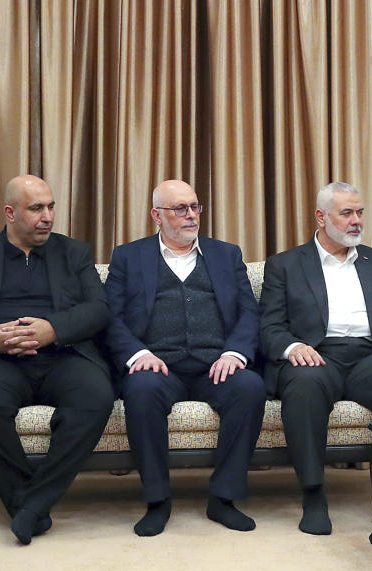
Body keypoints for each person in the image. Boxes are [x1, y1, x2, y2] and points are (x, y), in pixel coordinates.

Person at [0, 175, 114, 545]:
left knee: (96, 397)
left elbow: (99, 310)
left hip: (63, 355)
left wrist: (53, 329)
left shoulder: (74, 253)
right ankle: (28, 504)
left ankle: (30, 507)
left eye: (50, 207)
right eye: (36, 208)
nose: (47, 216)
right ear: (10, 213)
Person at [260, 182, 372, 536]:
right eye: (347, 213)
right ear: (321, 217)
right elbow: (269, 326)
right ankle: (313, 496)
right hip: (316, 356)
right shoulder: (285, 265)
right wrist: (293, 347)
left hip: (370, 356)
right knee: (304, 385)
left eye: (360, 212)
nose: (357, 221)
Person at [104, 179, 266, 537]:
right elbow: (109, 317)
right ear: (156, 216)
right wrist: (138, 353)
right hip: (158, 366)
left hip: (215, 365)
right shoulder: (128, 257)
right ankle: (157, 500)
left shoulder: (227, 255)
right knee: (141, 390)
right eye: (180, 209)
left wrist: (234, 353)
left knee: (250, 387)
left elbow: (248, 313)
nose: (191, 215)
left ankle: (223, 498)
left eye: (195, 206)